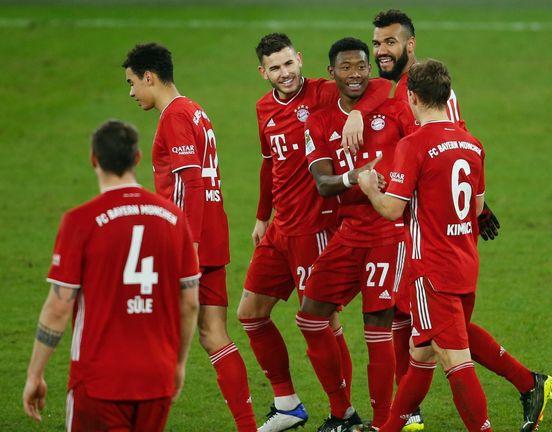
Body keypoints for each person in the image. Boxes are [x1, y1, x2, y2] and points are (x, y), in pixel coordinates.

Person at [371, 10, 552, 432]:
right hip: (463, 255)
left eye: (389, 43)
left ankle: (502, 408)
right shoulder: (471, 141)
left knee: (452, 356)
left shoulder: (413, 132)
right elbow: (473, 199)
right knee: (423, 350)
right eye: (377, 43)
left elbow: (396, 202)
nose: (381, 50)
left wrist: (369, 187)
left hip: (427, 259)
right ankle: (395, 425)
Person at [238, 33, 392, 432]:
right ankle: (287, 402)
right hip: (280, 228)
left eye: (289, 64)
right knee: (250, 314)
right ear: (262, 73)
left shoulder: (324, 92)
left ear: (300, 60)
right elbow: (269, 164)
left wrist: (359, 112)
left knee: (322, 322)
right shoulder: (263, 109)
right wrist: (261, 217)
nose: (285, 73)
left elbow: (375, 84)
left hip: (317, 226)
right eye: (275, 67)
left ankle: (343, 412)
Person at [22, 120, 200, 431]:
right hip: (156, 377)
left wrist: (35, 374)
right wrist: (179, 364)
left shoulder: (80, 221)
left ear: (94, 159)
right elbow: (190, 303)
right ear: (137, 158)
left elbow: (58, 308)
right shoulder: (174, 218)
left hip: (99, 381)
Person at [122, 43, 257, 431]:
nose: (132, 92)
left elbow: (189, 183)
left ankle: (132, 419)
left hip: (188, 241)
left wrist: (188, 245)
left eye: (132, 83)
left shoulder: (175, 117)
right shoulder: (195, 110)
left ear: (149, 77)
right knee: (214, 335)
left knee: (149, 331)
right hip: (214, 233)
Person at [297, 37, 416, 432]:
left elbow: (418, 149)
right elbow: (323, 184)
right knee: (311, 316)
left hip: (388, 231)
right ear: (331, 72)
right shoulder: (317, 120)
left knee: (376, 327)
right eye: (346, 67)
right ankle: (342, 411)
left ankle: (384, 423)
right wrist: (356, 178)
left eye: (361, 66)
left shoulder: (391, 104)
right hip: (348, 232)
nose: (355, 75)